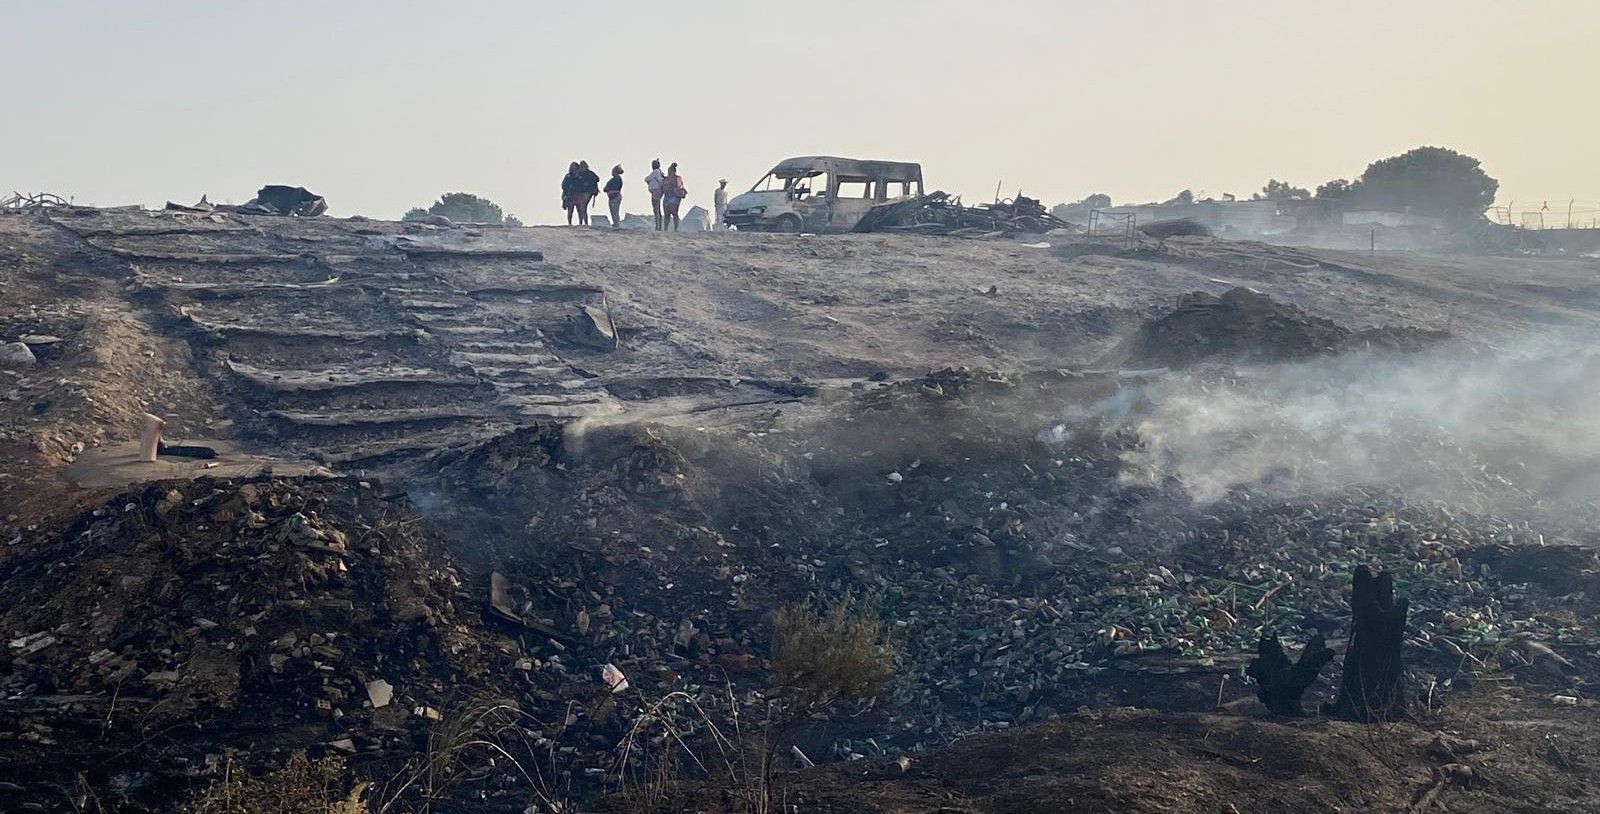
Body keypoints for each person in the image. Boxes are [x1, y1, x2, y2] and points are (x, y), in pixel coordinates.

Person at [571, 160, 601, 226]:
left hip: (588, 192)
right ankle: (583, 222)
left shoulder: (589, 173)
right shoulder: (581, 173)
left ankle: (584, 222)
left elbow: (597, 179)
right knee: (582, 207)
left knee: (582, 206)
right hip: (583, 192)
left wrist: (588, 183)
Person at [661, 162, 686, 231]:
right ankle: (666, 228)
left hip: (674, 197)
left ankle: (675, 228)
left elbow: (679, 186)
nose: (669, 172)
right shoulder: (666, 179)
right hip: (667, 197)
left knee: (674, 213)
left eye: (670, 171)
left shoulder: (677, 178)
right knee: (667, 214)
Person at [644, 159, 665, 230]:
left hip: (656, 192)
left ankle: (658, 226)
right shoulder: (659, 172)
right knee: (657, 209)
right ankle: (659, 226)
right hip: (657, 192)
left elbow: (646, 179)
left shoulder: (655, 172)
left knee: (656, 209)